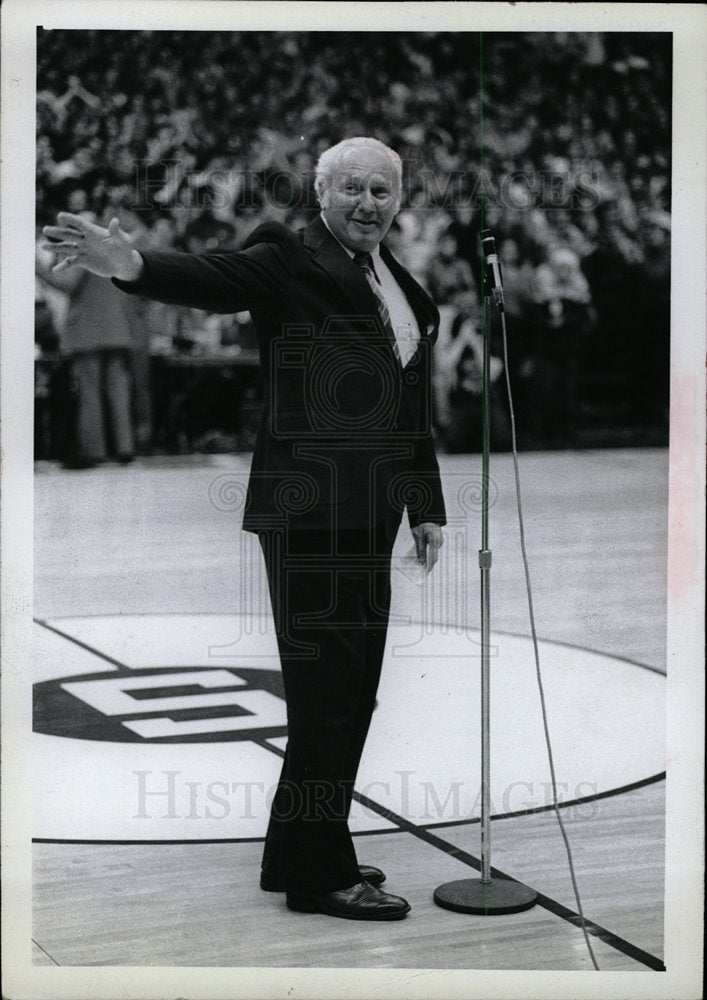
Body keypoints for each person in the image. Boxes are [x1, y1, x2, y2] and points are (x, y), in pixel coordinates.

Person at [43, 137, 446, 921]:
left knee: (350, 693)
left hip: (368, 514)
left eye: (382, 191)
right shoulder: (288, 257)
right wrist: (129, 263)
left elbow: (407, 406)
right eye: (353, 190)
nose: (368, 204)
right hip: (310, 513)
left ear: (399, 199)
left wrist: (423, 503)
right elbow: (213, 279)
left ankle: (300, 848)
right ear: (322, 195)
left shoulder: (394, 281)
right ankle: (314, 875)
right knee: (328, 695)